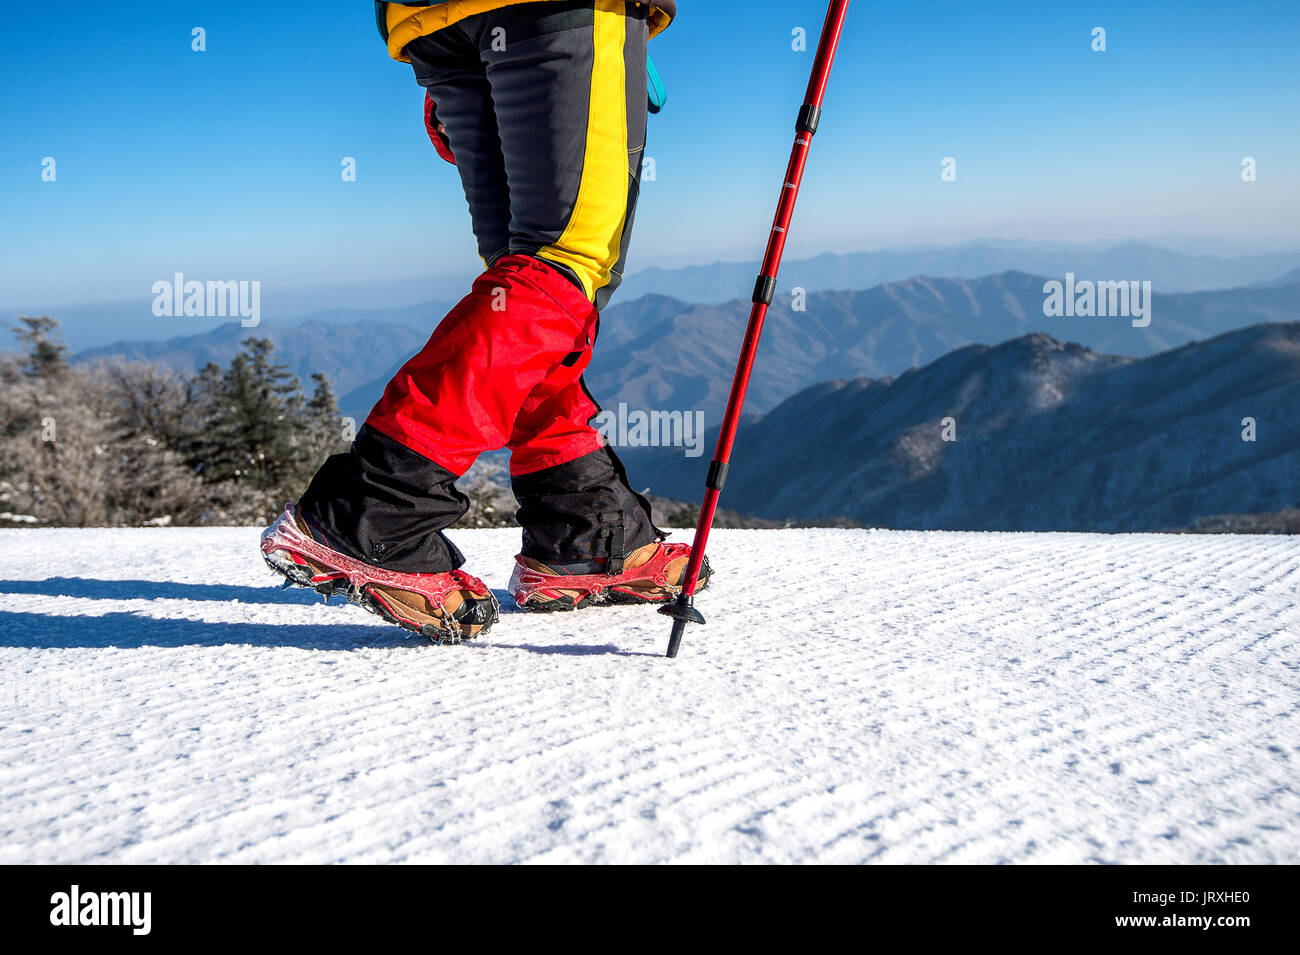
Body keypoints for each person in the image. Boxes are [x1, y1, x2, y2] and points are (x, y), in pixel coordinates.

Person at [260, 0, 708, 643]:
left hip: (432, 20)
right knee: (566, 264)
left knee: (525, 274)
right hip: (561, 10)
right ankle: (379, 504)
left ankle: (581, 528)